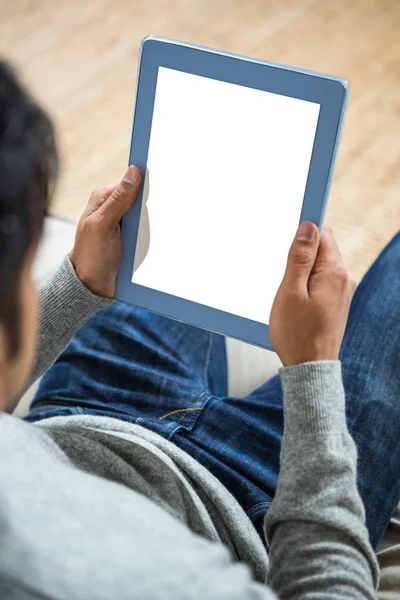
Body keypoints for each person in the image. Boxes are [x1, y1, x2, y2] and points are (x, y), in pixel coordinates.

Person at [1, 58, 399, 600]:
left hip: (82, 415)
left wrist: (81, 284)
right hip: (255, 507)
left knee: (190, 218)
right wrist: (312, 371)